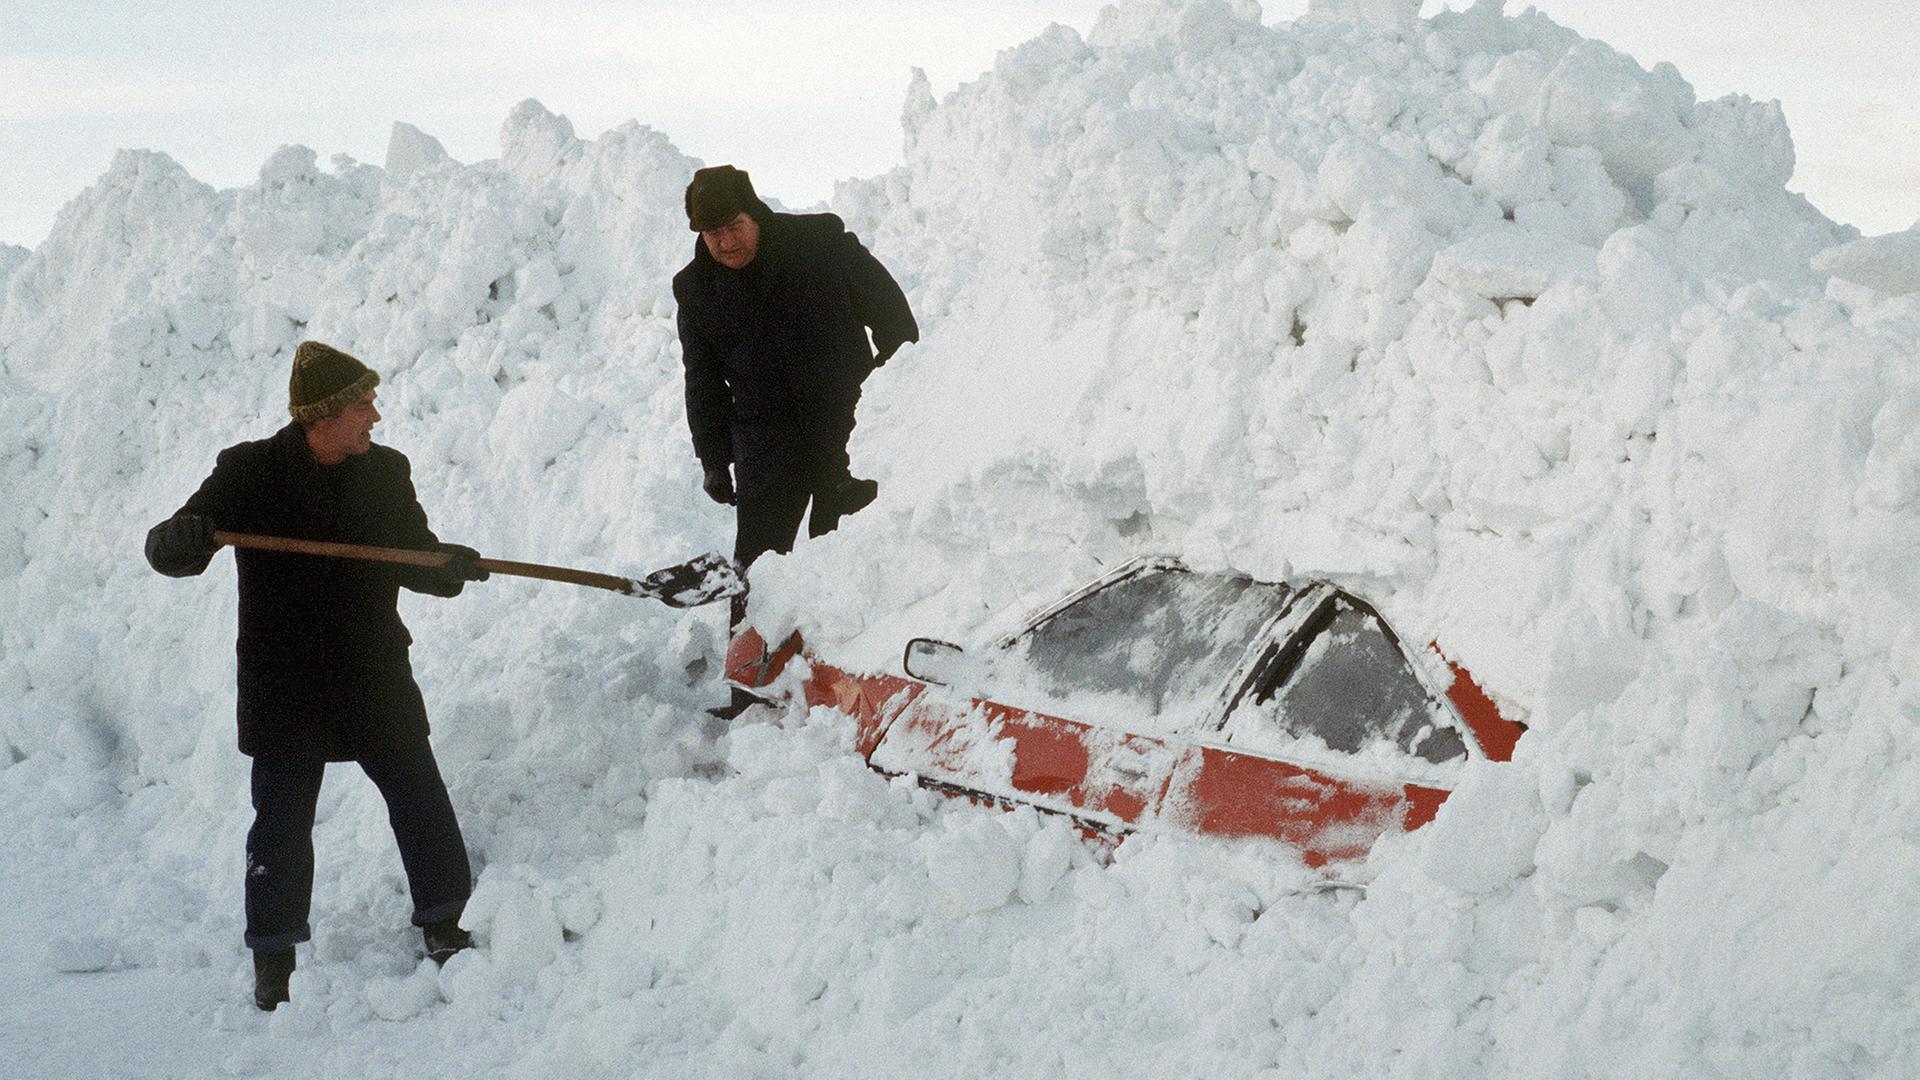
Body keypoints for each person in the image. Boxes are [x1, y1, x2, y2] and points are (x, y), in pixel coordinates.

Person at [144, 341, 489, 1012]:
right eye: (363, 405)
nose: (375, 418)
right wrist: (175, 540)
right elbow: (175, 545)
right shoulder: (249, 472)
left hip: (370, 665)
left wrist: (444, 565)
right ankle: (273, 959)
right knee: (280, 820)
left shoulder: (386, 472)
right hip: (285, 676)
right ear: (322, 417)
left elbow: (410, 556)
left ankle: (447, 921)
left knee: (418, 794)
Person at [672, 164, 918, 570]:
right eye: (713, 233)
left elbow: (891, 313)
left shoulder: (818, 243)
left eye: (735, 226)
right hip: (766, 438)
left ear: (755, 214)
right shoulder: (695, 288)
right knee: (757, 572)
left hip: (849, 422)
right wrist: (713, 460)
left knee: (850, 555)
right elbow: (703, 381)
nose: (726, 242)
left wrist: (896, 391)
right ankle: (752, 634)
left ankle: (853, 631)